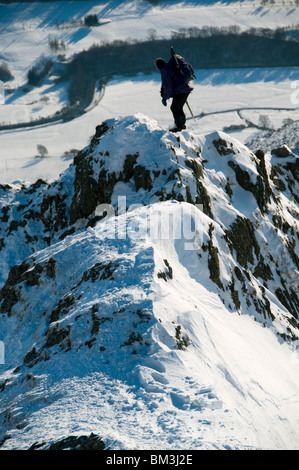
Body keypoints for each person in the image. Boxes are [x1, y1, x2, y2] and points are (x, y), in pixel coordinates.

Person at [155, 55, 194, 132]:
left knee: (174, 108)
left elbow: (167, 87)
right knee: (178, 107)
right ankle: (182, 125)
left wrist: (164, 98)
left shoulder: (165, 71)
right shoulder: (170, 68)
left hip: (181, 91)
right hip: (185, 89)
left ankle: (179, 126)